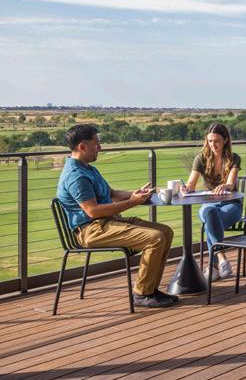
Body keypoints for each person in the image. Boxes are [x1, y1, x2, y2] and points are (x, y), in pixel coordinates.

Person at [55, 124, 177, 308]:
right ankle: (142, 294)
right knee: (155, 238)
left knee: (165, 232)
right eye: (96, 143)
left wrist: (137, 194)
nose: (100, 147)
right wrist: (133, 202)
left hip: (109, 222)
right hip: (92, 230)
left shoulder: (88, 169)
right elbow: (93, 211)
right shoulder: (76, 176)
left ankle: (151, 289)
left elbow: (112, 194)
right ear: (82, 146)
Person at [182, 123, 242, 280]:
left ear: (225, 140)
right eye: (210, 141)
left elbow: (231, 184)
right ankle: (222, 258)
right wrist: (186, 188)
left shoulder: (234, 158)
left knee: (211, 221)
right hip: (208, 205)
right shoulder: (200, 159)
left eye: (217, 141)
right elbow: (191, 184)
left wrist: (225, 186)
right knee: (211, 213)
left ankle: (212, 267)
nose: (213, 145)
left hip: (231, 205)